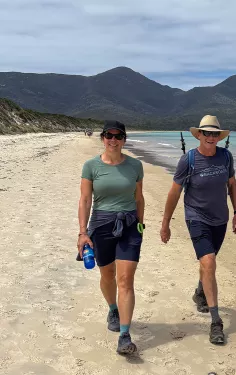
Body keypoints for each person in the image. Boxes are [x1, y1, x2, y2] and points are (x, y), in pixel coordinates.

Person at [160, 115, 236, 345]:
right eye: (207, 133)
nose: (211, 137)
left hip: (221, 219)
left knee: (210, 261)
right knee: (208, 262)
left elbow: (232, 184)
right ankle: (216, 322)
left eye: (215, 133)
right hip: (196, 217)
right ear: (199, 135)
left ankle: (200, 293)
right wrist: (165, 222)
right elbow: (174, 192)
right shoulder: (189, 160)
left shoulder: (226, 157)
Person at [77, 120, 145, 355]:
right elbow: (85, 200)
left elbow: (139, 198)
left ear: (124, 139)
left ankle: (125, 336)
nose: (113, 140)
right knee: (108, 274)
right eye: (109, 135)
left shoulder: (135, 165)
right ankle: (113, 308)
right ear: (103, 138)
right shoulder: (91, 166)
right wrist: (82, 232)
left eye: (118, 136)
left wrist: (140, 224)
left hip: (129, 224)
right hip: (101, 225)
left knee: (125, 280)